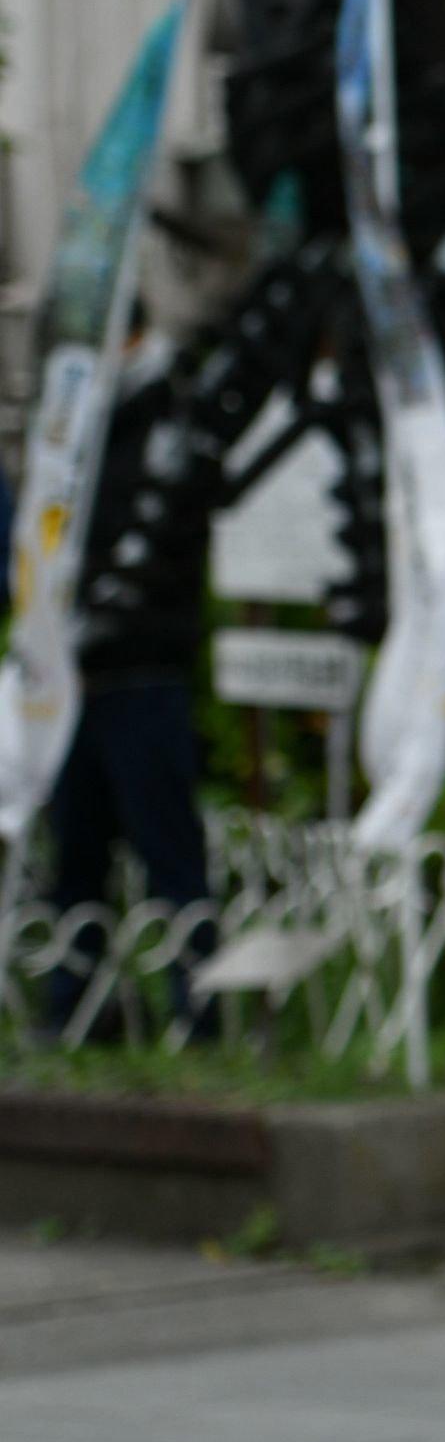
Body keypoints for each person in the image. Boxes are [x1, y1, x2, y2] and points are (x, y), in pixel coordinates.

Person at [30, 358, 213, 1034]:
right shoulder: (73, 434)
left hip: (143, 674)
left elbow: (159, 545)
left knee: (170, 857)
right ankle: (71, 1010)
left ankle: (198, 1010)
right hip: (73, 686)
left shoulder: (168, 424)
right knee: (74, 859)